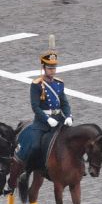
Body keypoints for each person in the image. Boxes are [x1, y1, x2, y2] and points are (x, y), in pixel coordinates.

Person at [18, 44, 71, 174]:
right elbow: (35, 107)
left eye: (54, 68)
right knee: (35, 146)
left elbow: (64, 103)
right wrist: (47, 119)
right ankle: (27, 170)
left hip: (59, 120)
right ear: (43, 68)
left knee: (73, 141)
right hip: (42, 123)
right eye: (50, 68)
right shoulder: (36, 85)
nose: (52, 71)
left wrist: (69, 115)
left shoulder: (59, 83)